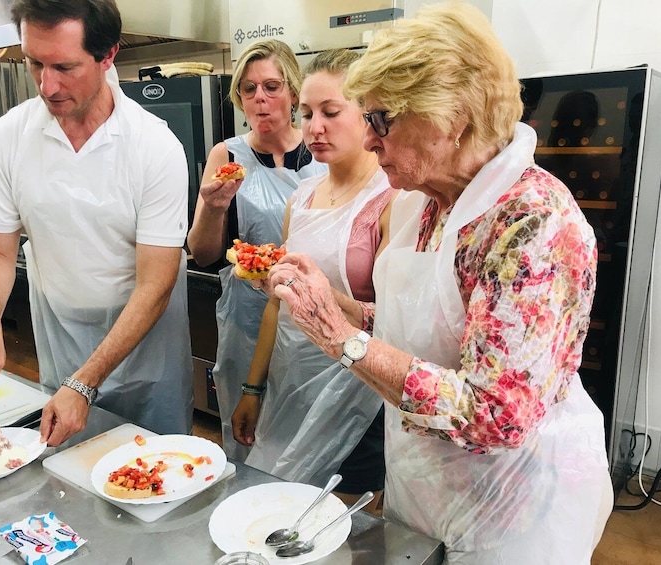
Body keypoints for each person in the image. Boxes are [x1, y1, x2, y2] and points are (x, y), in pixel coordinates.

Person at [253, 3, 613, 563]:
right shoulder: (428, 200)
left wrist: (342, 341)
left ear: (453, 117)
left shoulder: (532, 224)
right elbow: (422, 329)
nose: (370, 141)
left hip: (507, 506)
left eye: (382, 120)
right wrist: (338, 307)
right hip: (427, 482)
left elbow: (496, 414)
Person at [0, 0, 193, 446]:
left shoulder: (154, 146)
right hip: (61, 342)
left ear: (108, 56)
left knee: (154, 477)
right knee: (69, 476)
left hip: (146, 353)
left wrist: (85, 383)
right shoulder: (10, 137)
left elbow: (156, 283)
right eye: (34, 63)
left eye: (64, 66)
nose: (47, 86)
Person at [231, 49, 395, 509]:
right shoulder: (300, 199)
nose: (314, 127)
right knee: (279, 509)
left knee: (339, 522)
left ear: (369, 115)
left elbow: (397, 321)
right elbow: (276, 303)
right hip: (290, 382)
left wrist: (327, 300)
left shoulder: (391, 200)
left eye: (330, 112)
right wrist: (253, 388)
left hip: (358, 394)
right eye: (306, 114)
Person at [186, 39, 326, 461]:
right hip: (247, 319)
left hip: (314, 320)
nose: (260, 99)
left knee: (308, 440)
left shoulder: (324, 152)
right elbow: (204, 253)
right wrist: (213, 208)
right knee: (247, 436)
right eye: (249, 89)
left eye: (272, 86)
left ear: (294, 92)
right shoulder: (227, 155)